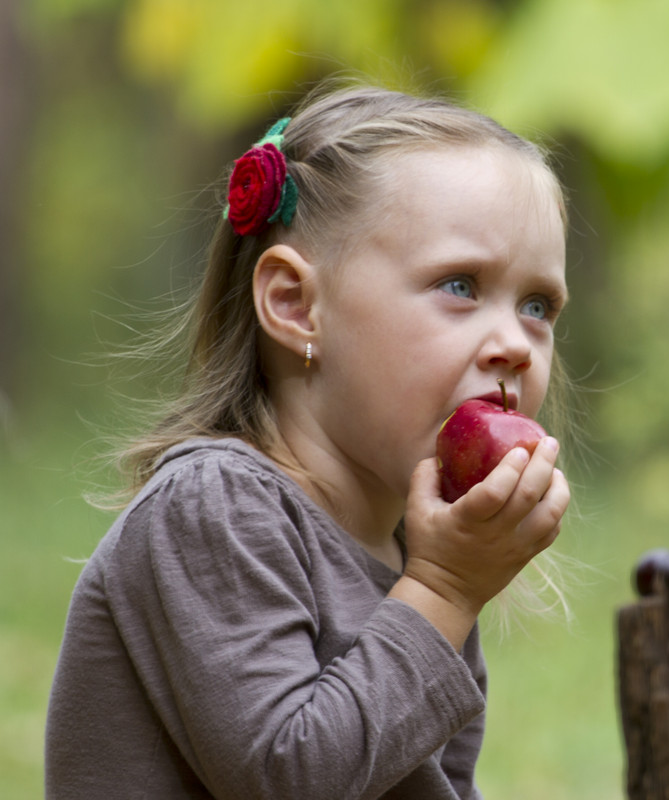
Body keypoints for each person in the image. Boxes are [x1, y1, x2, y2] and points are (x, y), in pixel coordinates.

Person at [44, 80, 572, 799]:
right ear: (295, 305)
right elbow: (288, 779)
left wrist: (442, 583)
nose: (515, 342)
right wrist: (444, 593)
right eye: (460, 285)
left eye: (538, 305)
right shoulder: (214, 508)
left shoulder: (422, 553)